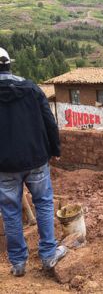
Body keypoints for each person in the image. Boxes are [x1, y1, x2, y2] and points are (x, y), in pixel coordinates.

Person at [0, 47, 67, 277]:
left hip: (5, 166)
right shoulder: (30, 88)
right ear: (9, 64)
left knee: (10, 212)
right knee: (44, 203)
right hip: (36, 158)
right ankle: (48, 255)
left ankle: (18, 264)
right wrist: (55, 148)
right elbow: (49, 120)